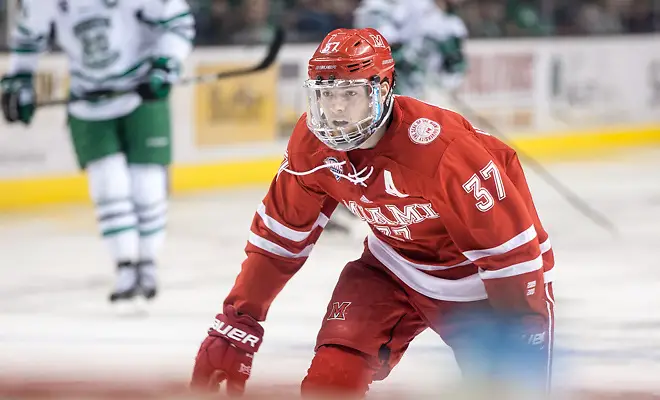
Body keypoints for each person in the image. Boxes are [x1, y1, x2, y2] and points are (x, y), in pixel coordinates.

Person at [190, 28, 555, 398]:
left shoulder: (442, 150)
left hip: (481, 286)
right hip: (392, 267)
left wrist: (522, 328)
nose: (335, 109)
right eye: (326, 95)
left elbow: (512, 256)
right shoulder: (312, 145)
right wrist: (238, 322)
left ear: (382, 89)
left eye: (350, 93)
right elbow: (280, 234)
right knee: (329, 381)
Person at [1, 0, 195, 303]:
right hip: (87, 97)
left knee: (146, 181)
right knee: (107, 182)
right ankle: (125, 266)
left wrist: (166, 63)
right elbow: (28, 36)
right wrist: (20, 79)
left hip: (140, 89)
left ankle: (147, 261)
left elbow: (178, 20)